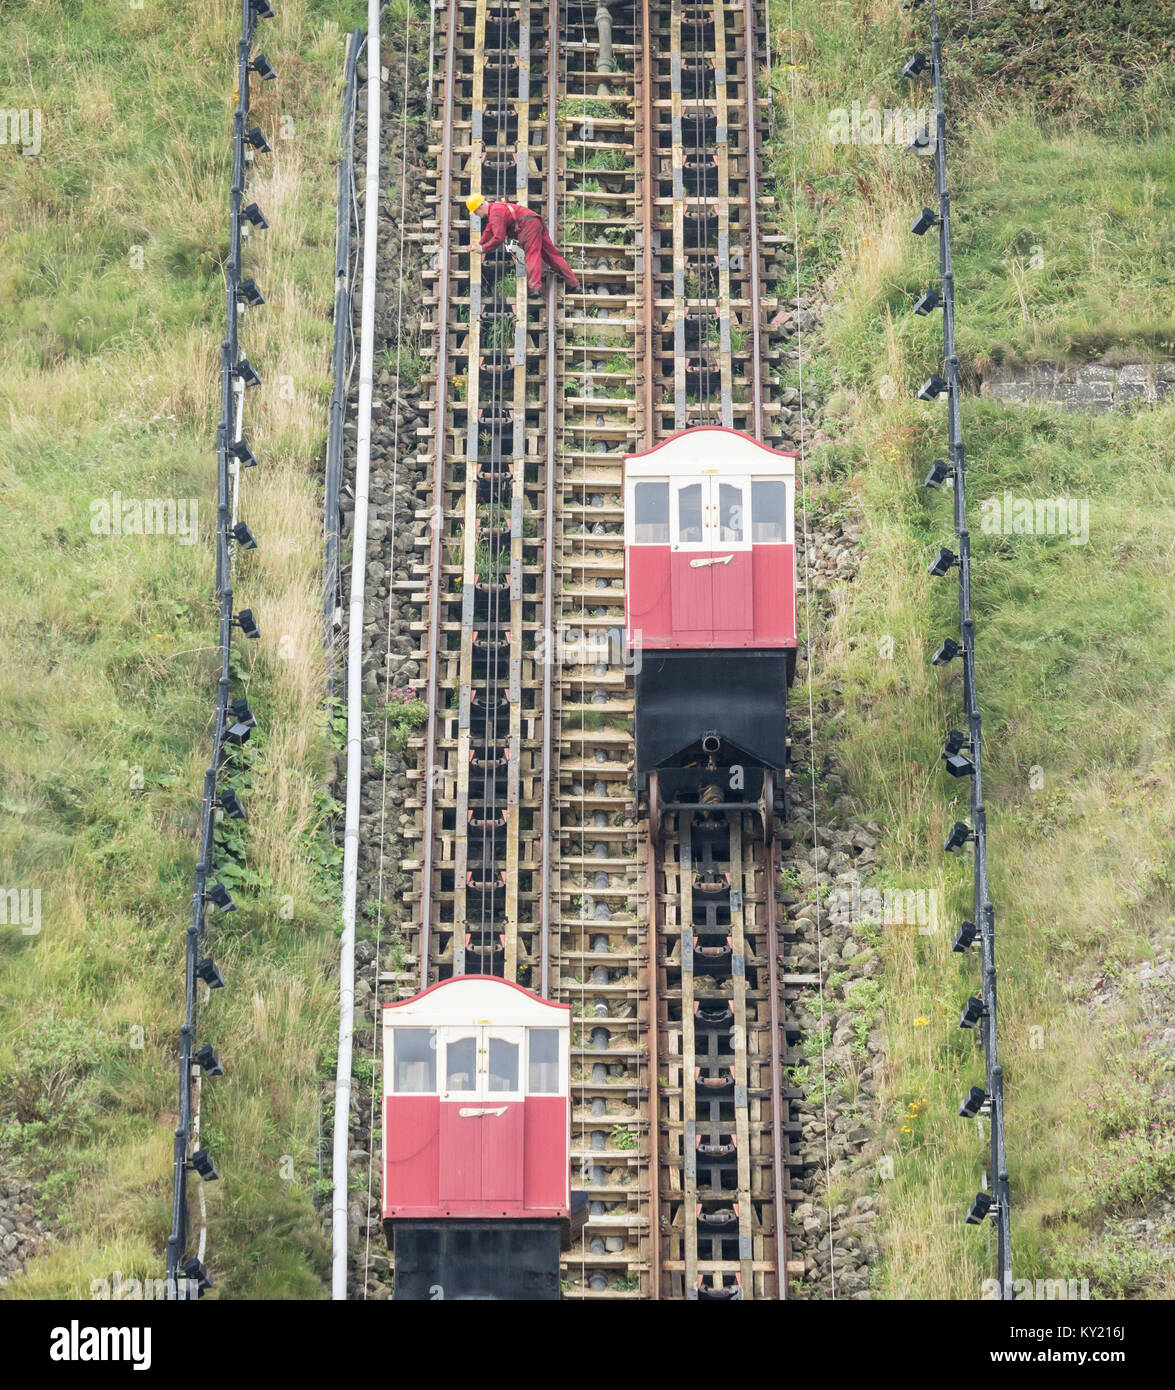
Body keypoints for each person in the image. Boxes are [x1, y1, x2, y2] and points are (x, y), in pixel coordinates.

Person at [467, 194, 580, 295]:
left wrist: (483, 249)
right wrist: (479, 243)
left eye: (476, 212)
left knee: (532, 254)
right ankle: (574, 284)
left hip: (528, 225)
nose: (477, 215)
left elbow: (498, 237)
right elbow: (489, 230)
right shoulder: (495, 209)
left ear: (480, 206)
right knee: (550, 255)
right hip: (535, 221)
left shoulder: (495, 213)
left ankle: (534, 288)